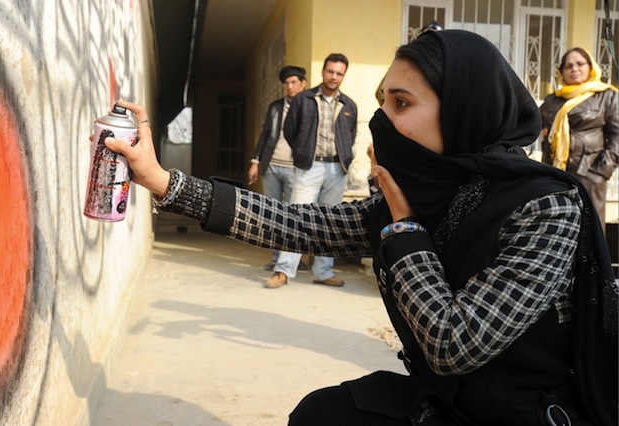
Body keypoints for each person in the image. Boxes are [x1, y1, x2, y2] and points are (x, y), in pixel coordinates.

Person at [105, 29, 617, 425]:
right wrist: (164, 182)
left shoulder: (545, 206)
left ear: (464, 109)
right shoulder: (433, 191)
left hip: (519, 413)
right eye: (382, 101)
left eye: (402, 104)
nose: (382, 121)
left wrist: (406, 232)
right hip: (448, 403)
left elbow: (454, 343)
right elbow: (297, 224)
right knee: (324, 414)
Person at [265, 52, 358, 289]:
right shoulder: (303, 99)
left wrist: (345, 159)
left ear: (343, 76)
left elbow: (350, 134)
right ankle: (283, 270)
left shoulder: (349, 105)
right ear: (323, 71)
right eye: (330, 71)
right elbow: (290, 130)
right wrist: (302, 152)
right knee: (298, 218)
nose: (334, 77)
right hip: (309, 167)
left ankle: (323, 271)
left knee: (329, 223)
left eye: (339, 73)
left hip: (337, 169)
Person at [540, 47, 619, 230]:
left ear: (590, 67)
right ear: (562, 72)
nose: (574, 69)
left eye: (580, 64)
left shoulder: (606, 96)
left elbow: (617, 137)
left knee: (590, 230)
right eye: (568, 66)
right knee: (557, 228)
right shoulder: (553, 100)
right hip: (555, 174)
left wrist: (601, 172)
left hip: (589, 174)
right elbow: (534, 125)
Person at [248, 65, 308, 271]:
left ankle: (292, 261)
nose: (290, 87)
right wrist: (255, 161)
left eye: (294, 82)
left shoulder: (309, 106)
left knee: (294, 216)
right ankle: (276, 259)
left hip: (296, 169)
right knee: (273, 215)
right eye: (287, 83)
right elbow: (265, 135)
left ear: (303, 84)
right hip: (272, 166)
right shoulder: (275, 107)